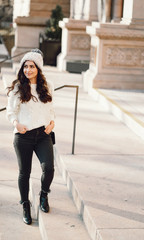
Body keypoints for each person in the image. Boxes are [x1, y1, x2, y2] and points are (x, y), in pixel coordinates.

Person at [6, 49, 55, 225]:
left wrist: (52, 122)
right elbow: (11, 112)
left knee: (48, 168)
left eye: (31, 66)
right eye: (25, 66)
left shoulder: (47, 86)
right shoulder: (18, 87)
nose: (28, 70)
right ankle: (25, 205)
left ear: (38, 68)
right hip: (23, 136)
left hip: (43, 134)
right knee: (24, 173)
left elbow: (50, 109)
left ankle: (43, 195)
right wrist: (16, 124)